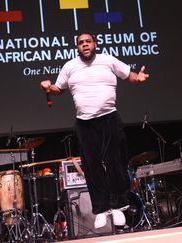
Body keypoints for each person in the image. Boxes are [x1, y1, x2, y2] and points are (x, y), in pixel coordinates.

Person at [39, 32, 149, 229]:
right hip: (84, 123)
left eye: (88, 41)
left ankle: (118, 207)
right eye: (81, 43)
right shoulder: (70, 66)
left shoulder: (108, 60)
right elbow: (59, 88)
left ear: (95, 44)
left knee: (115, 161)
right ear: (77, 47)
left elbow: (128, 75)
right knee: (92, 166)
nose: (85, 45)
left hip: (109, 118)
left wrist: (137, 78)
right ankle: (101, 209)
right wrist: (48, 87)